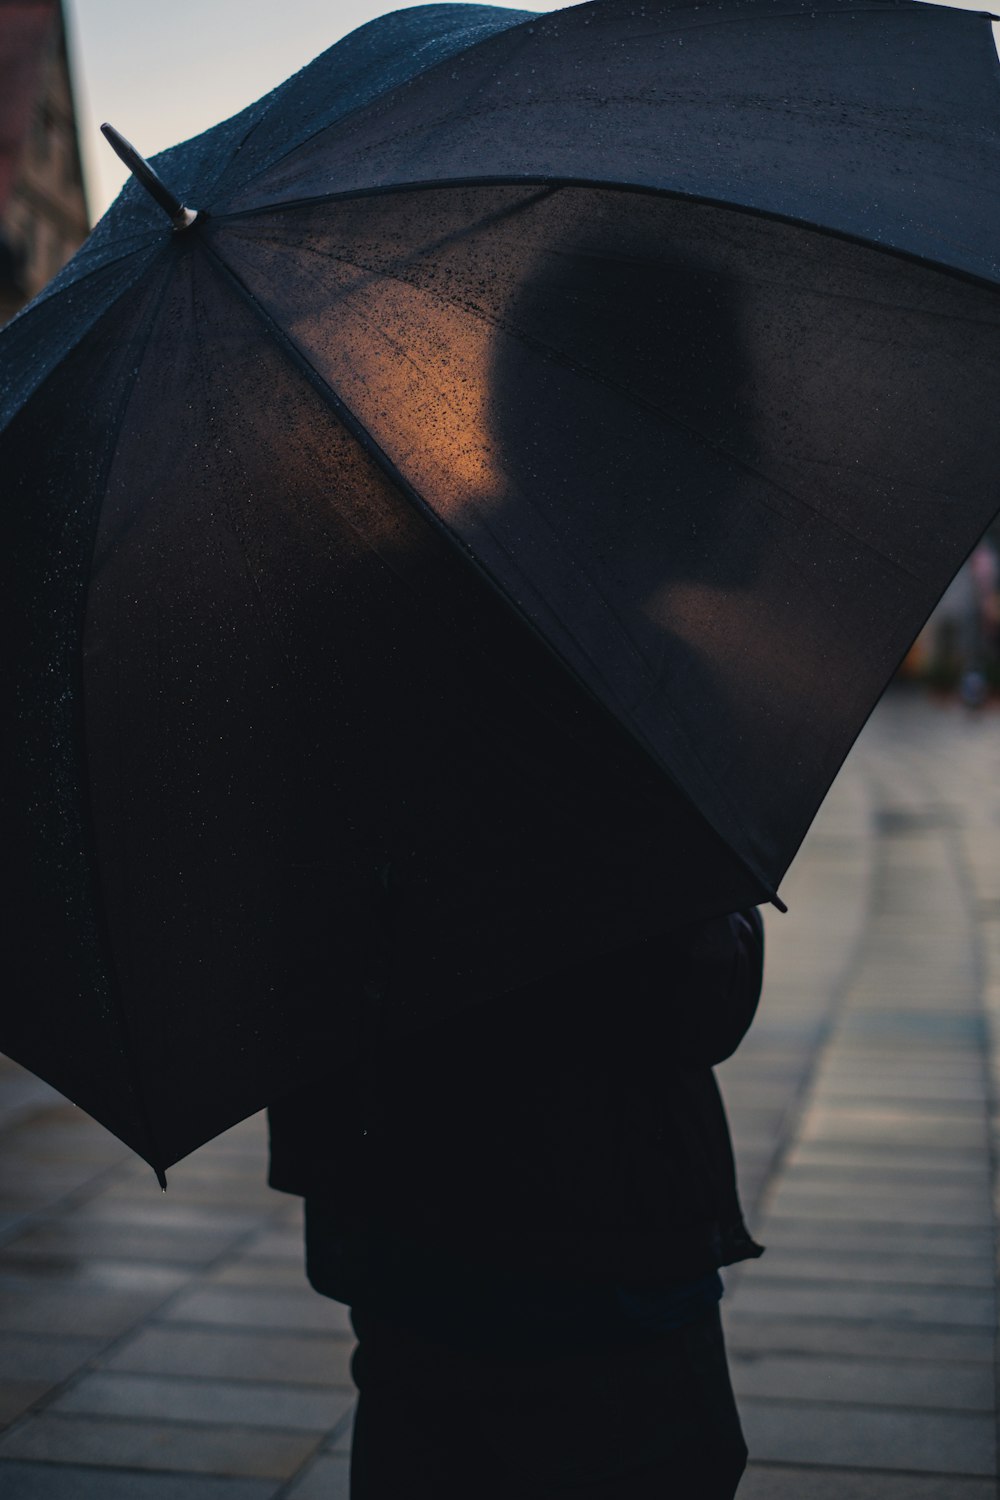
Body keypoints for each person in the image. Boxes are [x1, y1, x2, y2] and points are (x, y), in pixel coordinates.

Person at [268, 907, 764, 1498]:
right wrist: (737, 912)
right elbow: (703, 996)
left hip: (401, 1251)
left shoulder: (326, 822)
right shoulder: (603, 819)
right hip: (603, 1256)